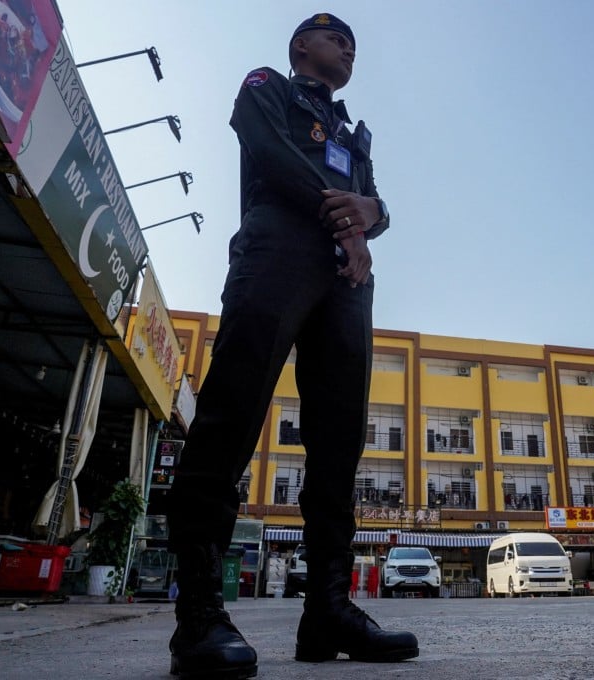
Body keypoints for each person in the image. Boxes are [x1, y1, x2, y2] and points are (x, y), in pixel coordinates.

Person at [165, 13, 416, 679]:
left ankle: (327, 611)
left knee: (340, 439)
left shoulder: (351, 133)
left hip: (346, 277)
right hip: (279, 249)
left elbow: (372, 202)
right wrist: (348, 219)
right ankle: (197, 613)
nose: (349, 48)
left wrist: (375, 216)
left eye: (355, 44)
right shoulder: (268, 85)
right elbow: (266, 149)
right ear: (301, 45)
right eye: (337, 37)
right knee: (232, 411)